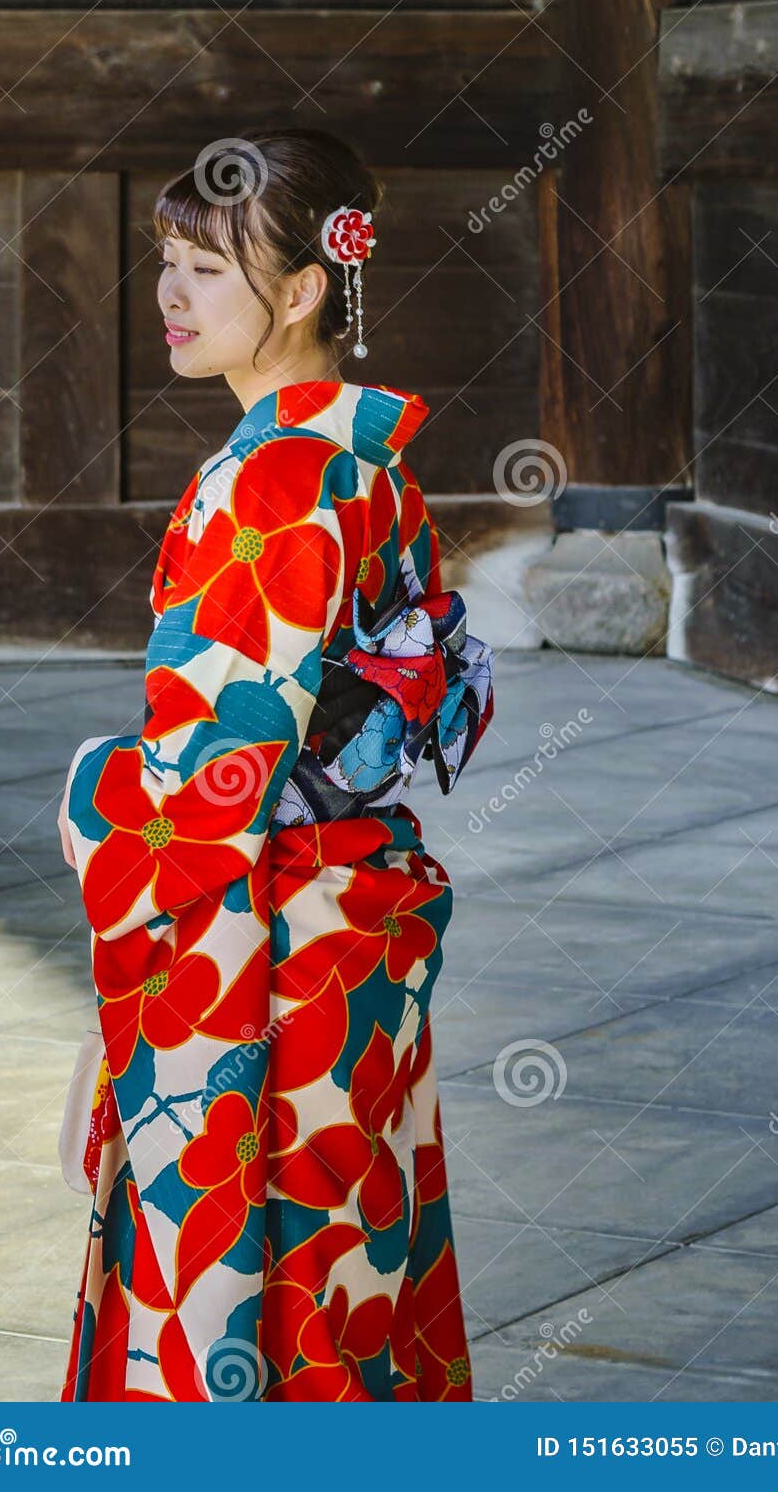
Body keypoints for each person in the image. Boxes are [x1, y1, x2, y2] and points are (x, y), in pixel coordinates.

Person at [56, 126, 494, 1401]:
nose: (171, 296)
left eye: (205, 267)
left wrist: (93, 790)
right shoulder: (365, 460)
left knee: (242, 1287)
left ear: (302, 291)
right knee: (348, 1255)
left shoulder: (269, 482)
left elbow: (208, 785)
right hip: (355, 921)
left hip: (262, 940)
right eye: (169, 261)